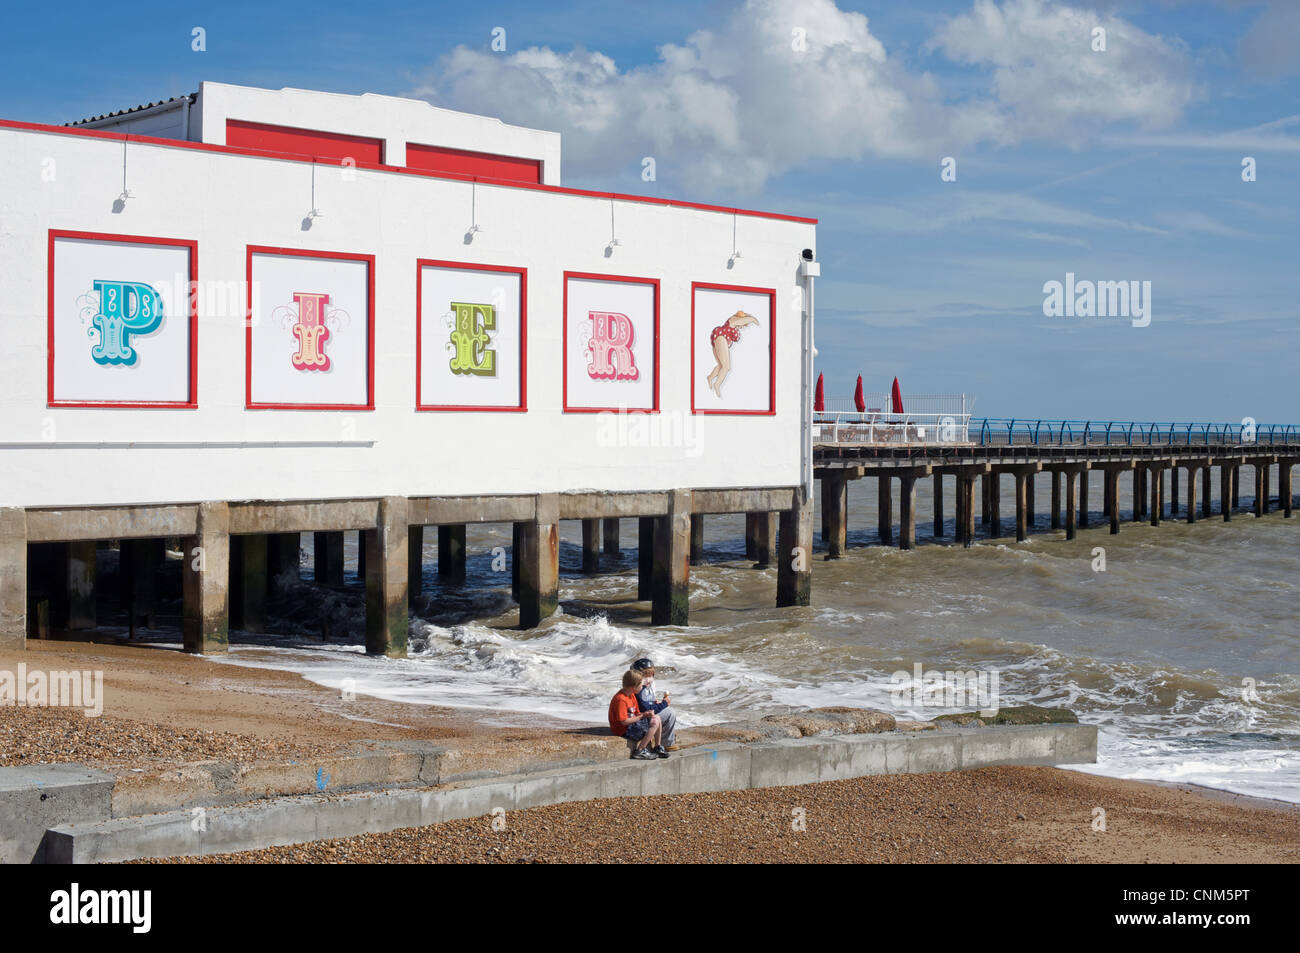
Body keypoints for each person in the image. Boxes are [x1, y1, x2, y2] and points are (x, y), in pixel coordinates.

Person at [608, 669, 666, 760]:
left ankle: (658, 746)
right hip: (623, 729)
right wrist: (642, 716)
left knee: (656, 718)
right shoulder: (621, 700)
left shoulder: (631, 695)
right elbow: (624, 721)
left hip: (631, 724)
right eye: (641, 684)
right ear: (634, 687)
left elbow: (636, 713)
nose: (642, 686)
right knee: (654, 723)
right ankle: (640, 750)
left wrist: (646, 714)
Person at [705, 310, 759, 398]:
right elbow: (750, 319)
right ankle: (717, 385)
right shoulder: (734, 320)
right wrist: (754, 320)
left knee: (721, 365)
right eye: (743, 325)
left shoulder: (733, 322)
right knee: (726, 367)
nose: (742, 327)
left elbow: (745, 319)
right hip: (721, 338)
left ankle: (710, 377)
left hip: (718, 338)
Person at [631, 657, 677, 751]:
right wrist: (664, 704)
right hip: (640, 718)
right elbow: (645, 708)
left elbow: (649, 702)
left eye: (651, 675)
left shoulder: (645, 685)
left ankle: (661, 742)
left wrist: (656, 703)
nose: (649, 679)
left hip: (643, 715)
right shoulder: (639, 688)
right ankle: (667, 743)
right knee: (670, 713)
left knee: (666, 712)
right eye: (645, 676)